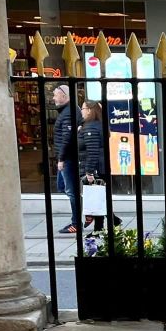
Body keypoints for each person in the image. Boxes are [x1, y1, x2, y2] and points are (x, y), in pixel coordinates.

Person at [78, 100, 121, 234]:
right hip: (101, 166)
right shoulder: (97, 125)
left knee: (97, 198)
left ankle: (101, 227)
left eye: (83, 108)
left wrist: (89, 172)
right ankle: (109, 222)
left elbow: (92, 151)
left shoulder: (90, 127)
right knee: (99, 197)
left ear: (90, 110)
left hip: (94, 168)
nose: (82, 111)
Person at [53, 84, 81, 235]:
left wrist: (61, 159)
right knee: (63, 186)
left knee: (71, 191)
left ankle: (76, 223)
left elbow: (67, 138)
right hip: (66, 157)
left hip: (68, 158)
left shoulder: (68, 113)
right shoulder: (66, 111)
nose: (53, 98)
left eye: (56, 95)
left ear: (64, 96)